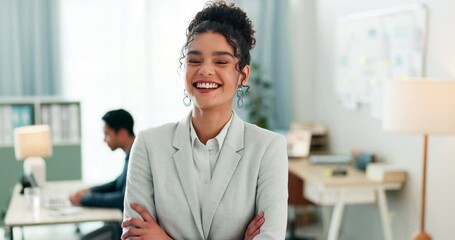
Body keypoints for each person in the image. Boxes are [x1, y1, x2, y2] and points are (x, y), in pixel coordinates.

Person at [121, 2, 288, 239]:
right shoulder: (149, 145)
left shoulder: (268, 148)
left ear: (243, 75)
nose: (205, 71)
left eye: (221, 62)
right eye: (195, 60)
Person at [69, 109, 135, 210]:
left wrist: (85, 198)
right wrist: (90, 191)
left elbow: (123, 199)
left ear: (122, 134)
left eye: (107, 134)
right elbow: (118, 183)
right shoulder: (132, 153)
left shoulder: (138, 158)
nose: (104, 140)